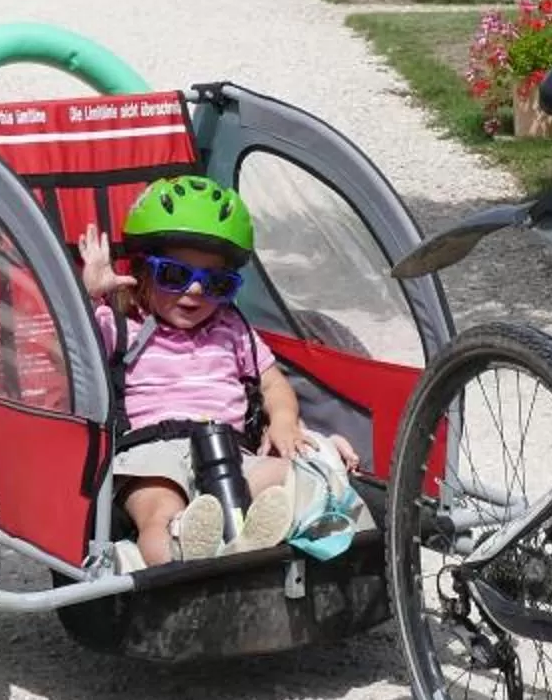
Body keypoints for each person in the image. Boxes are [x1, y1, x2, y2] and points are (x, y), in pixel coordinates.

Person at [74, 175, 359, 569]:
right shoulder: (119, 325)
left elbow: (273, 383)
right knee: (159, 511)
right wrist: (88, 297)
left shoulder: (232, 328)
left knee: (294, 478)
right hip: (151, 452)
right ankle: (173, 544)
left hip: (230, 452)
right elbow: (67, 360)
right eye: (175, 275)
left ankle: (241, 536)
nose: (195, 291)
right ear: (143, 271)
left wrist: (285, 421)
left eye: (216, 283)